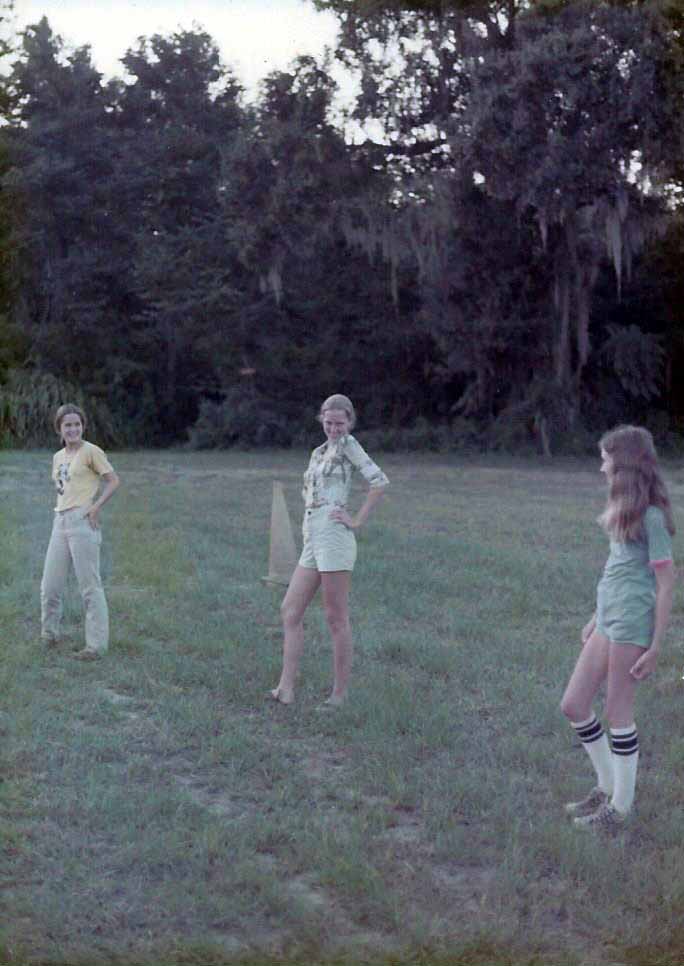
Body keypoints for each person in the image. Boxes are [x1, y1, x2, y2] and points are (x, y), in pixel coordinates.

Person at [560, 425, 675, 829]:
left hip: (632, 622)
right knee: (574, 704)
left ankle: (620, 809)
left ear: (623, 463)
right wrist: (596, 616)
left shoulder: (653, 517)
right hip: (608, 619)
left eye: (605, 459)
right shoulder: (621, 505)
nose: (601, 467)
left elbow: (666, 583)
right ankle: (606, 786)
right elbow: (616, 567)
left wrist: (655, 646)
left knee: (617, 711)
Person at [269, 394, 389, 707]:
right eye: (329, 422)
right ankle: (285, 688)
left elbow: (379, 481)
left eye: (339, 423)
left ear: (349, 422)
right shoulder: (318, 452)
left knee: (335, 616)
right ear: (321, 419)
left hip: (334, 537)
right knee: (290, 610)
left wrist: (356, 520)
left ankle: (338, 695)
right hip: (313, 536)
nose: (334, 429)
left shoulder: (349, 445)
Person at [41, 403, 120, 660]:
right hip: (60, 521)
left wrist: (95, 507)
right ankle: (49, 635)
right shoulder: (57, 457)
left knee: (90, 587)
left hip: (82, 521)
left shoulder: (91, 451)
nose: (73, 429)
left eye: (77, 424)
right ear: (59, 429)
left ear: (83, 426)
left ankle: (95, 646)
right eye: (68, 425)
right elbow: (63, 488)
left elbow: (113, 480)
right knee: (50, 585)